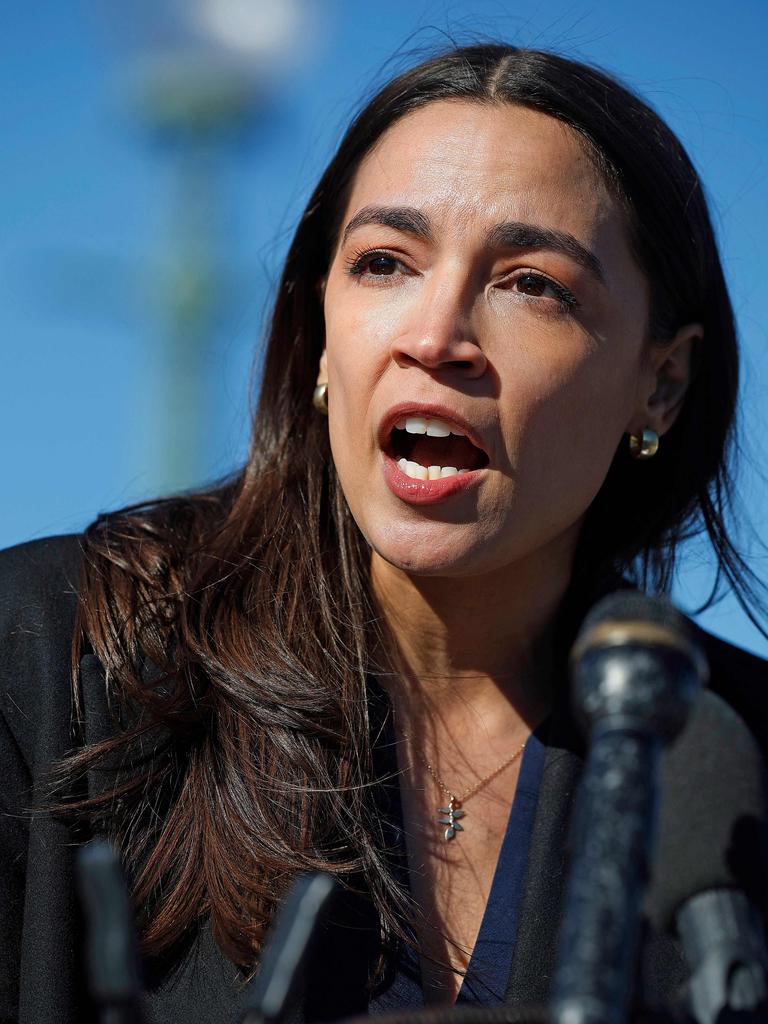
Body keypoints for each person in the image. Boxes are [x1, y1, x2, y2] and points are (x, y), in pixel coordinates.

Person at [1, 42, 766, 1024]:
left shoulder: (727, 766)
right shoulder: (53, 658)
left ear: (660, 381)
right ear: (320, 332)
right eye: (384, 263)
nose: (436, 335)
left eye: (532, 283)